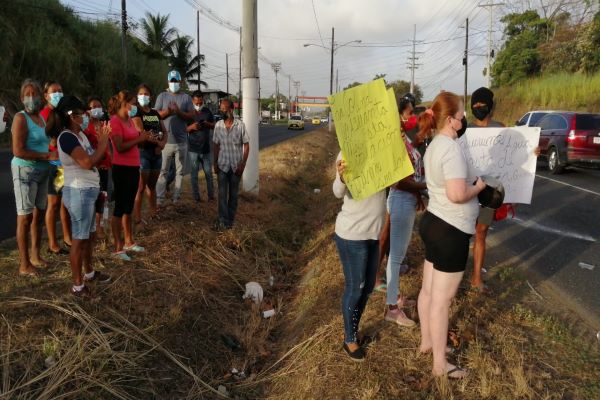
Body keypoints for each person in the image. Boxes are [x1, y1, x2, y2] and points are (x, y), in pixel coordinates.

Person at [416, 91, 486, 379]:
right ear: (452, 120)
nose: (464, 119)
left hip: (434, 223)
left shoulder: (434, 145)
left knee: (429, 291)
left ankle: (427, 342)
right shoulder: (452, 149)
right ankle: (440, 366)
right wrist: (479, 188)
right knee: (442, 300)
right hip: (451, 230)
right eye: (461, 115)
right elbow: (458, 194)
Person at [55, 95, 112, 297]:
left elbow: (95, 159)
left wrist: (100, 144)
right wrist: (104, 142)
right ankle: (77, 286)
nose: (85, 116)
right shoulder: (67, 137)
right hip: (78, 192)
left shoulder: (81, 136)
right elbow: (87, 163)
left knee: (88, 237)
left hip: (88, 191)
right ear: (71, 116)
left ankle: (88, 273)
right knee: (79, 239)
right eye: (81, 113)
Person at [333, 153, 386, 361]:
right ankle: (349, 339)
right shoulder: (348, 149)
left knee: (368, 287)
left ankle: (353, 331)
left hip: (373, 234)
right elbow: (337, 191)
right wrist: (341, 177)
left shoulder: (384, 146)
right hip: (352, 235)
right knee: (355, 288)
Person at [383, 124, 428, 327]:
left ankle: (396, 297)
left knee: (397, 255)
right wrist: (426, 186)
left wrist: (417, 193)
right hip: (400, 200)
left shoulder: (404, 140)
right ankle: (392, 308)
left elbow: (411, 175)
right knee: (395, 258)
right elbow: (398, 182)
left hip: (406, 200)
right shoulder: (394, 144)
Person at [11, 79, 56, 276]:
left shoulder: (41, 119)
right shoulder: (21, 119)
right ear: (22, 99)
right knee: (25, 217)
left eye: (34, 93)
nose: (31, 97)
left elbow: (45, 143)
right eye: (27, 94)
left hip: (42, 172)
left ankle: (36, 256)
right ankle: (24, 264)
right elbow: (18, 150)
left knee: (38, 215)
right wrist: (46, 155)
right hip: (25, 172)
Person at [108, 90, 152, 260]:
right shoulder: (115, 121)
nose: (135, 106)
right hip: (121, 168)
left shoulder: (129, 121)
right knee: (119, 208)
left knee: (128, 207)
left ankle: (129, 241)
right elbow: (119, 146)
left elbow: (135, 142)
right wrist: (139, 140)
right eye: (133, 103)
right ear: (124, 104)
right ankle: (118, 247)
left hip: (134, 166)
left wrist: (143, 138)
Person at [41, 81, 72, 254]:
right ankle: (53, 243)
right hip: (53, 164)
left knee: (64, 203)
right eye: (54, 92)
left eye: (60, 91)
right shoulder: (44, 114)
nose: (58, 94)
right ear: (46, 95)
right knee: (53, 203)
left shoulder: (62, 113)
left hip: (64, 163)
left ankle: (67, 237)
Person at [154, 70, 194, 206]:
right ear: (168, 81)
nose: (174, 83)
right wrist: (168, 112)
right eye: (172, 80)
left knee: (179, 172)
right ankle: (159, 200)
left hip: (181, 142)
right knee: (163, 171)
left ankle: (176, 198)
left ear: (180, 82)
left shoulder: (186, 98)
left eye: (176, 81)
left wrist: (179, 112)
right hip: (165, 142)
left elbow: (191, 115)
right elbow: (155, 114)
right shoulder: (162, 96)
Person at [132, 84, 167, 222]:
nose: (143, 96)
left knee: (152, 186)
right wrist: (159, 143)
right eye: (141, 94)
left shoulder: (155, 113)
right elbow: (142, 133)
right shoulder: (136, 113)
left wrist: (163, 142)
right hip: (143, 153)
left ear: (151, 96)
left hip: (157, 155)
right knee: (140, 188)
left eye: (146, 94)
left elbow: (164, 131)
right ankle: (138, 217)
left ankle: (153, 213)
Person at [213, 98, 249, 229]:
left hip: (235, 166)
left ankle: (230, 222)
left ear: (231, 109)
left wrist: (243, 164)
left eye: (224, 109)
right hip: (222, 165)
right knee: (222, 195)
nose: (222, 111)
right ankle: (223, 221)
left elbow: (246, 145)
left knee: (233, 196)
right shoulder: (218, 125)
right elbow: (216, 145)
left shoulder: (240, 125)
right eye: (221, 109)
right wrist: (215, 163)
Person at [84, 97, 112, 238]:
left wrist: (110, 161)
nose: (96, 108)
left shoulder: (104, 124)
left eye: (99, 105)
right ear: (88, 110)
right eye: (93, 106)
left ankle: (100, 225)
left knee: (103, 196)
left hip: (104, 167)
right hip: (92, 167)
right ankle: (91, 226)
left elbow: (108, 146)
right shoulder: (85, 127)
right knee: (92, 197)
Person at [187, 91, 215, 202]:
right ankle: (196, 198)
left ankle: (211, 197)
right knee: (194, 175)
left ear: (202, 100)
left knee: (209, 174)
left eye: (200, 102)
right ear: (192, 100)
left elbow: (214, 125)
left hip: (206, 149)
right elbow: (183, 129)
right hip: (193, 149)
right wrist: (192, 127)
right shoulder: (189, 112)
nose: (198, 104)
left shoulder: (207, 111)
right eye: (196, 102)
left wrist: (207, 124)